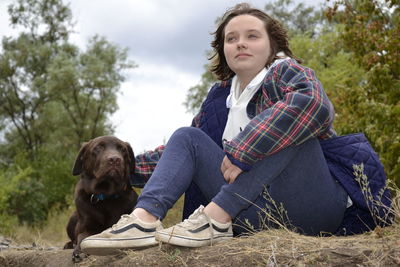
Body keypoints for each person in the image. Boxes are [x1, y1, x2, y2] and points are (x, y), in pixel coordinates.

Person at [80, 3, 392, 255]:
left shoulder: (285, 73)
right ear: (224, 50)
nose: (240, 42)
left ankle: (215, 219)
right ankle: (142, 222)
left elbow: (313, 106)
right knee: (187, 138)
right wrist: (117, 166)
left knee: (292, 127)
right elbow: (180, 156)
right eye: (232, 38)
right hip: (250, 213)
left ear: (273, 46)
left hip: (313, 206)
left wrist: (243, 149)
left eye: (252, 36)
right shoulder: (219, 99)